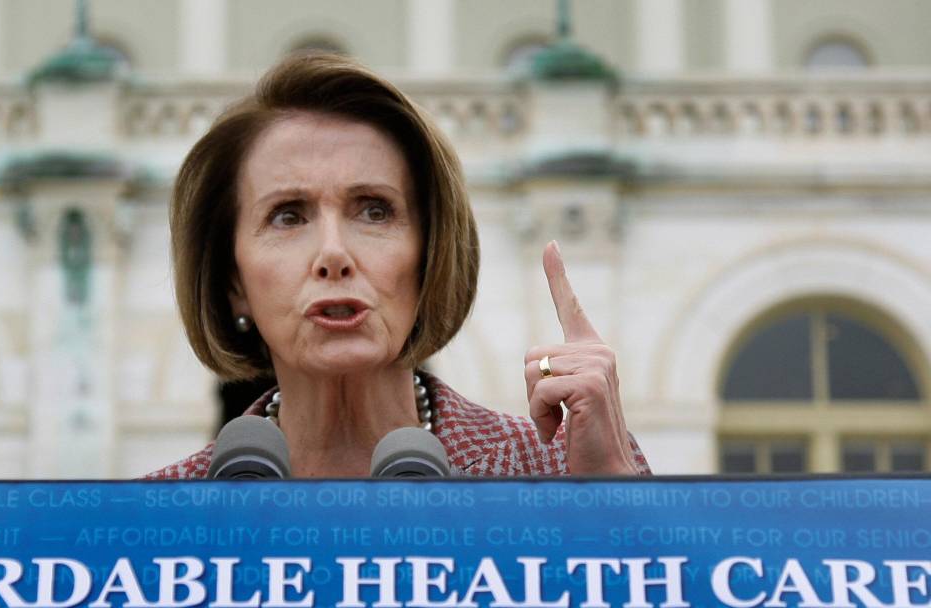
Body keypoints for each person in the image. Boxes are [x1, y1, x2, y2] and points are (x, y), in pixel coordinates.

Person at [145, 53, 649, 479]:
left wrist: (606, 508)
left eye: (374, 210)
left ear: (430, 255)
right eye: (288, 216)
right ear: (233, 282)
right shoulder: (155, 516)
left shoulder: (556, 470)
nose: (333, 255)